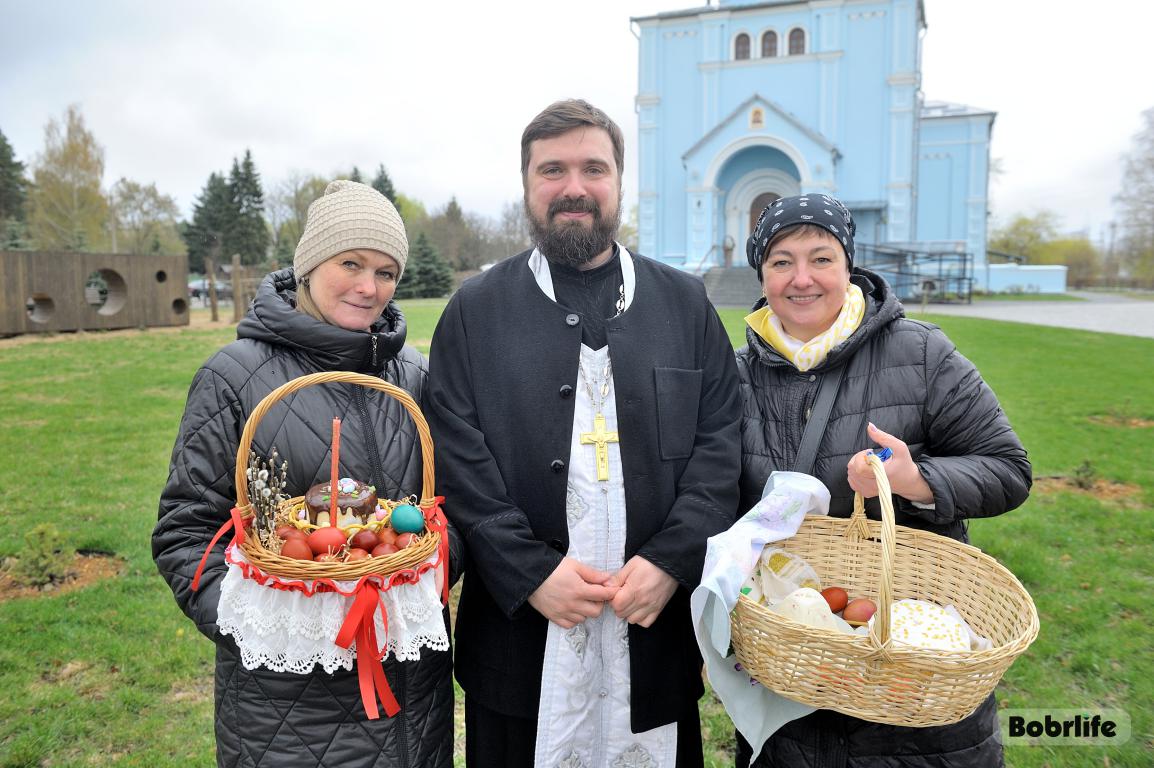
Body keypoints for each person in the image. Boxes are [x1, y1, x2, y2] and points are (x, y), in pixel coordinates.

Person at [425, 99, 742, 768]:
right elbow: (457, 457)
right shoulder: (475, 311)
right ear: (526, 184)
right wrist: (530, 572)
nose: (574, 187)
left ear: (620, 181)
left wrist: (672, 561)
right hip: (517, 639)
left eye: (594, 168)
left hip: (652, 631)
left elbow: (719, 443)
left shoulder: (685, 304)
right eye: (553, 170)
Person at [153, 180, 457, 768]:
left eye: (387, 272)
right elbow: (184, 532)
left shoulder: (414, 375)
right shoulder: (235, 377)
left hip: (413, 705)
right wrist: (268, 622)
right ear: (310, 264)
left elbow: (449, 510)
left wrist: (422, 574)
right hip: (288, 713)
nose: (369, 287)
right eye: (351, 263)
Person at [734, 193, 1032, 767]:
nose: (802, 279)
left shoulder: (920, 353)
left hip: (912, 671)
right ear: (762, 274)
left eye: (822, 258)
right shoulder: (736, 374)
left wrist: (915, 480)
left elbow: (1009, 469)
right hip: (786, 671)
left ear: (848, 265)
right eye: (781, 261)